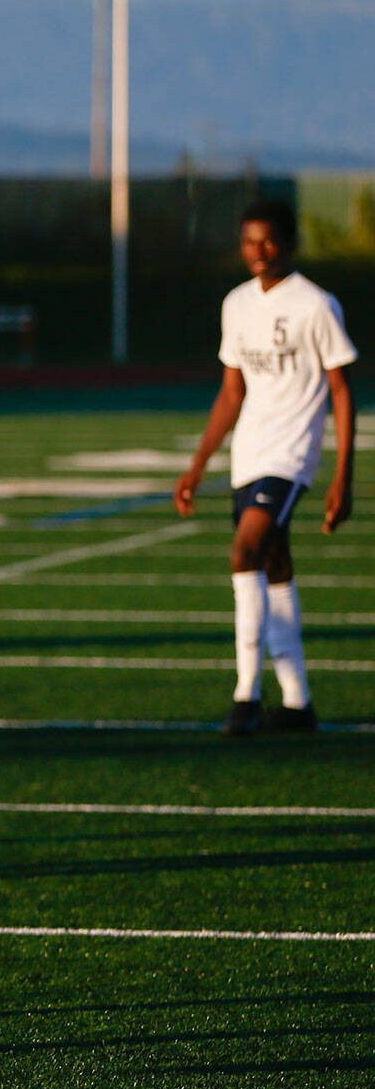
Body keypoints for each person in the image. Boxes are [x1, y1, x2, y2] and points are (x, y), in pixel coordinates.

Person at [176, 199, 356, 736]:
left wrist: (344, 475)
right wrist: (198, 464)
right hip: (249, 452)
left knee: (245, 550)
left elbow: (341, 391)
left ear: (290, 243)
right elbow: (232, 391)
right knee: (273, 563)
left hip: (292, 451)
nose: (259, 251)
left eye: (270, 240)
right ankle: (298, 704)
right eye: (250, 241)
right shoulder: (236, 304)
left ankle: (245, 695)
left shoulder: (316, 305)